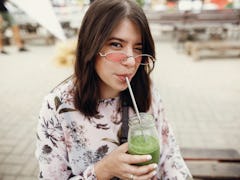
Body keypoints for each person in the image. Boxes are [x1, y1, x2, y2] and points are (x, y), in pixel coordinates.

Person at [36, 0, 192, 179]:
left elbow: (170, 158)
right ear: (91, 45)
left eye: (138, 48)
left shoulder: (146, 91)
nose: (132, 61)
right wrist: (102, 171)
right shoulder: (57, 107)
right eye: (117, 45)